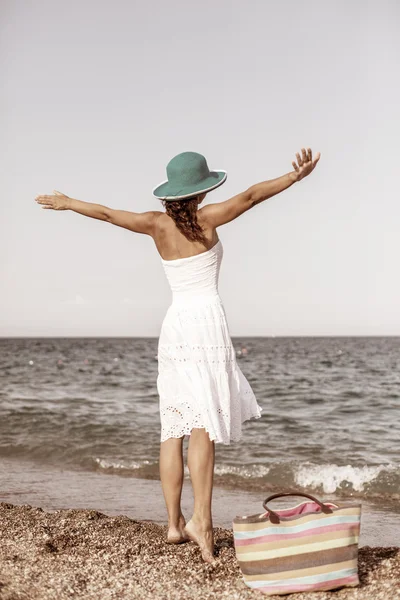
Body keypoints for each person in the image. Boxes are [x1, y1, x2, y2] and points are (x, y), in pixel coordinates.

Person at [34, 147, 321, 563]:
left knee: (173, 426)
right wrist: (294, 177)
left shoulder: (154, 224)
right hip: (205, 326)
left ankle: (173, 524)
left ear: (170, 193)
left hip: (174, 328)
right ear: (201, 191)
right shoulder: (208, 218)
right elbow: (254, 195)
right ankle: (200, 521)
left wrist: (67, 202)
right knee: (203, 423)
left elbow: (109, 214)